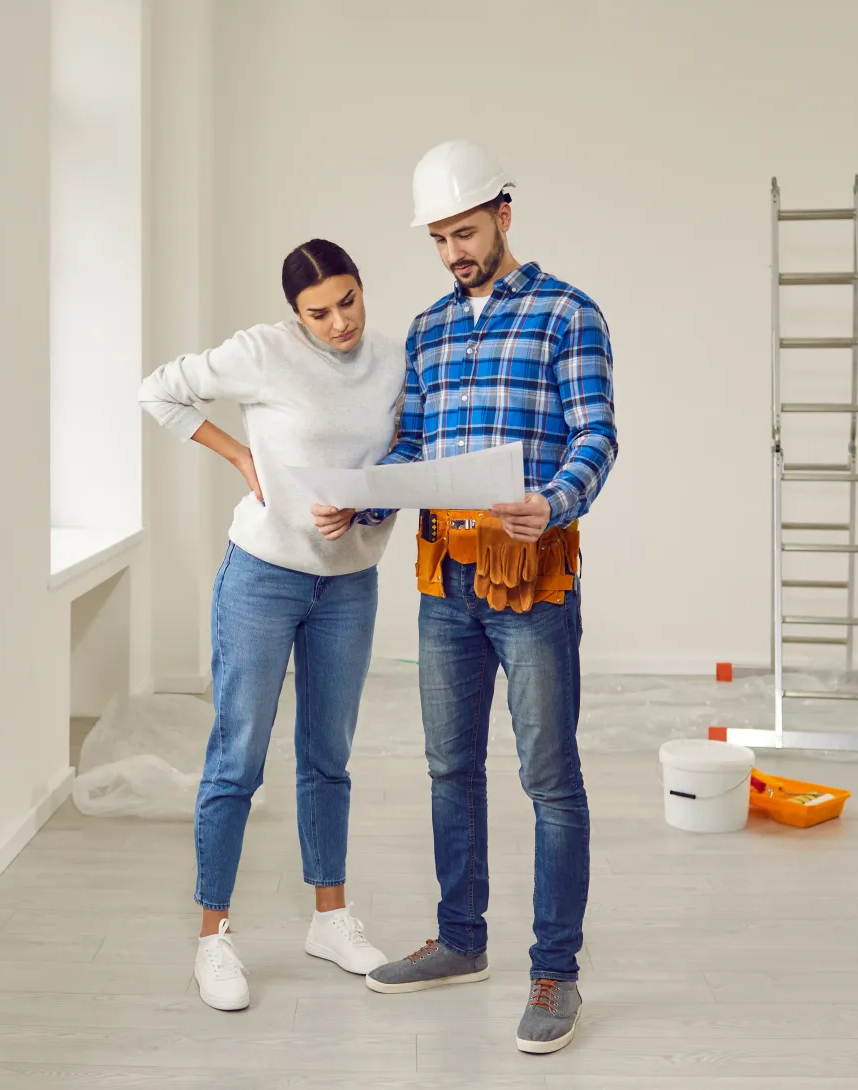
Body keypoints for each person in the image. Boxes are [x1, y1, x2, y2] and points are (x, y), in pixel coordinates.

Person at [317, 140, 617, 1054]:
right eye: (439, 237)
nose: (453, 250)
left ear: (504, 214)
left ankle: (555, 974)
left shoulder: (569, 313)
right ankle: (460, 941)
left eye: (466, 230)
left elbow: (596, 436)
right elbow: (415, 451)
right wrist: (364, 489)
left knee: (548, 778)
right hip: (443, 580)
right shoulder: (427, 330)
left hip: (532, 576)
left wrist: (553, 501)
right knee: (450, 769)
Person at [138, 239, 405, 1013]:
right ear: (295, 313)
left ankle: (329, 918)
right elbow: (159, 392)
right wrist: (238, 456)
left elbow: (403, 457)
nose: (339, 322)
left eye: (348, 301)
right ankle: (213, 938)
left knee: (329, 756)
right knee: (238, 757)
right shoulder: (262, 353)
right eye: (318, 312)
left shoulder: (395, 360)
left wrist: (368, 503)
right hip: (262, 577)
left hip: (349, 583)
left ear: (362, 289)